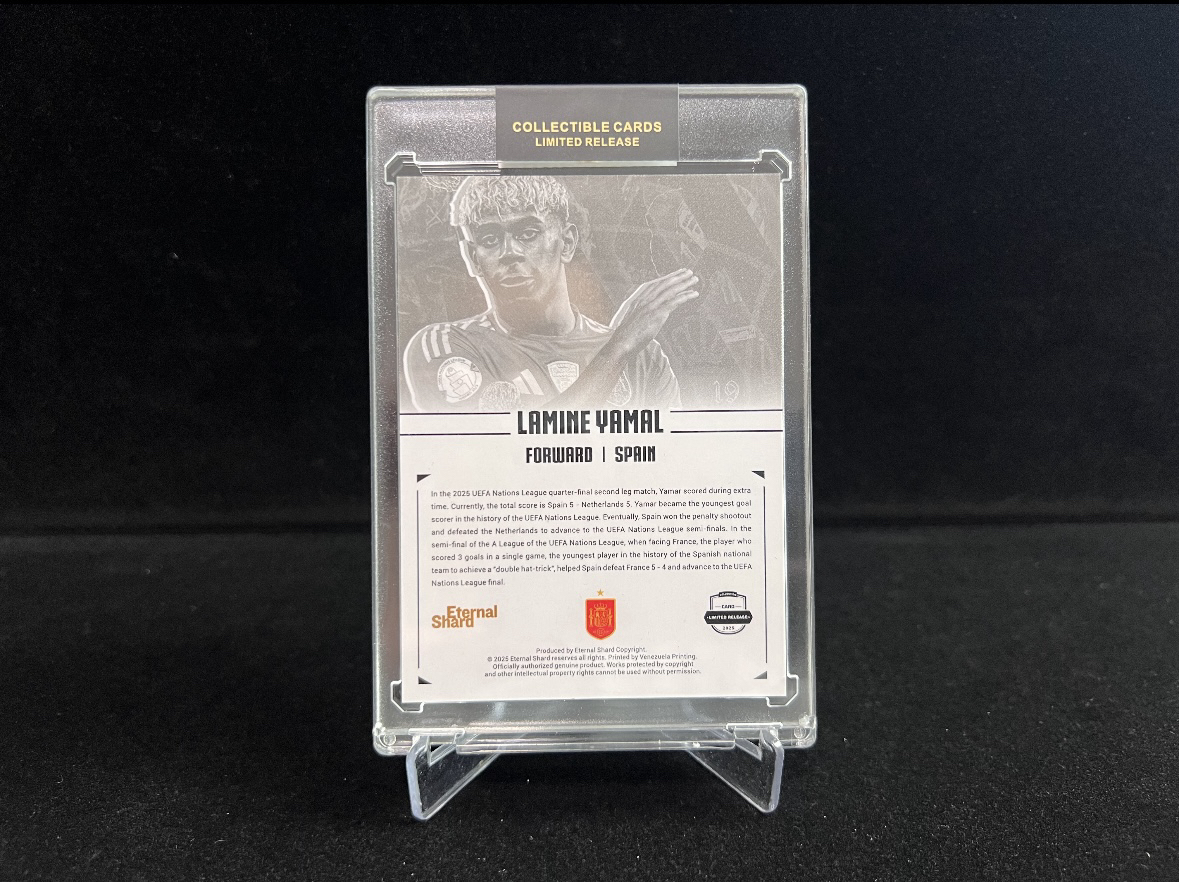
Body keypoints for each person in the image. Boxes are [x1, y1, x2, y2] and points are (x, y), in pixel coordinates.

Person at [403, 176, 697, 412]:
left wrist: (619, 346)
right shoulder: (446, 345)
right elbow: (505, 451)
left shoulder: (643, 356)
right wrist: (618, 347)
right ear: (473, 258)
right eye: (490, 239)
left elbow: (670, 458)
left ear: (567, 243)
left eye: (528, 233)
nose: (509, 252)